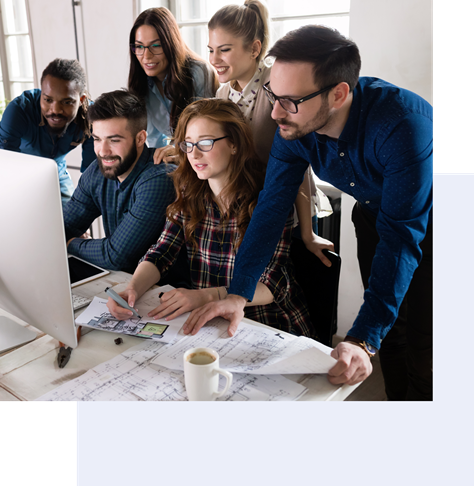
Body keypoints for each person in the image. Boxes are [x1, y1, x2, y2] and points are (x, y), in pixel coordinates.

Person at [183, 25, 433, 400]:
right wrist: (238, 293)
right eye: (273, 95)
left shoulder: (402, 124)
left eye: (291, 100)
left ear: (338, 93)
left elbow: (401, 237)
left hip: (432, 220)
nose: (277, 112)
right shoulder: (293, 126)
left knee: (425, 339)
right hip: (372, 215)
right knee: (392, 333)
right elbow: (270, 208)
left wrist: (362, 339)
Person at [106, 98, 315, 339]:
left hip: (268, 324)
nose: (193, 154)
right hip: (211, 322)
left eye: (205, 143)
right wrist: (132, 289)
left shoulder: (268, 199)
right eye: (188, 144)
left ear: (235, 144)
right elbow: (161, 252)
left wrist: (206, 295)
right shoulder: (190, 192)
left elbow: (273, 283)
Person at [208, 0, 334, 266]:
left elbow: (296, 165)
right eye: (211, 50)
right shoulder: (222, 94)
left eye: (224, 50)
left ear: (254, 48)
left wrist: (308, 234)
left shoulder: (277, 85)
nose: (214, 60)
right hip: (250, 209)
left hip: (289, 204)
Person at [63, 89, 177, 274]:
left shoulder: (159, 178)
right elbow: (63, 227)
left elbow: (116, 257)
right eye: (97, 139)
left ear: (140, 138)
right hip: (121, 284)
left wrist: (70, 244)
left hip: (165, 292)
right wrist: (67, 239)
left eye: (114, 140)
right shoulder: (97, 171)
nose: (103, 151)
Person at [0, 58, 95, 204]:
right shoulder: (19, 111)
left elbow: (91, 175)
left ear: (81, 100)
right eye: (48, 100)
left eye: (67, 102)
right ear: (41, 94)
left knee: (73, 219)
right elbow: (4, 163)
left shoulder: (91, 117)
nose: (55, 110)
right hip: (20, 175)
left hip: (56, 171)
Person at [128, 7, 218, 157]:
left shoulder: (198, 73)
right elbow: (155, 140)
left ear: (171, 44)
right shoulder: (140, 83)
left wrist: (177, 150)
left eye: (155, 45)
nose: (146, 56)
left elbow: (207, 132)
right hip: (177, 158)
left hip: (205, 156)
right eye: (139, 47)